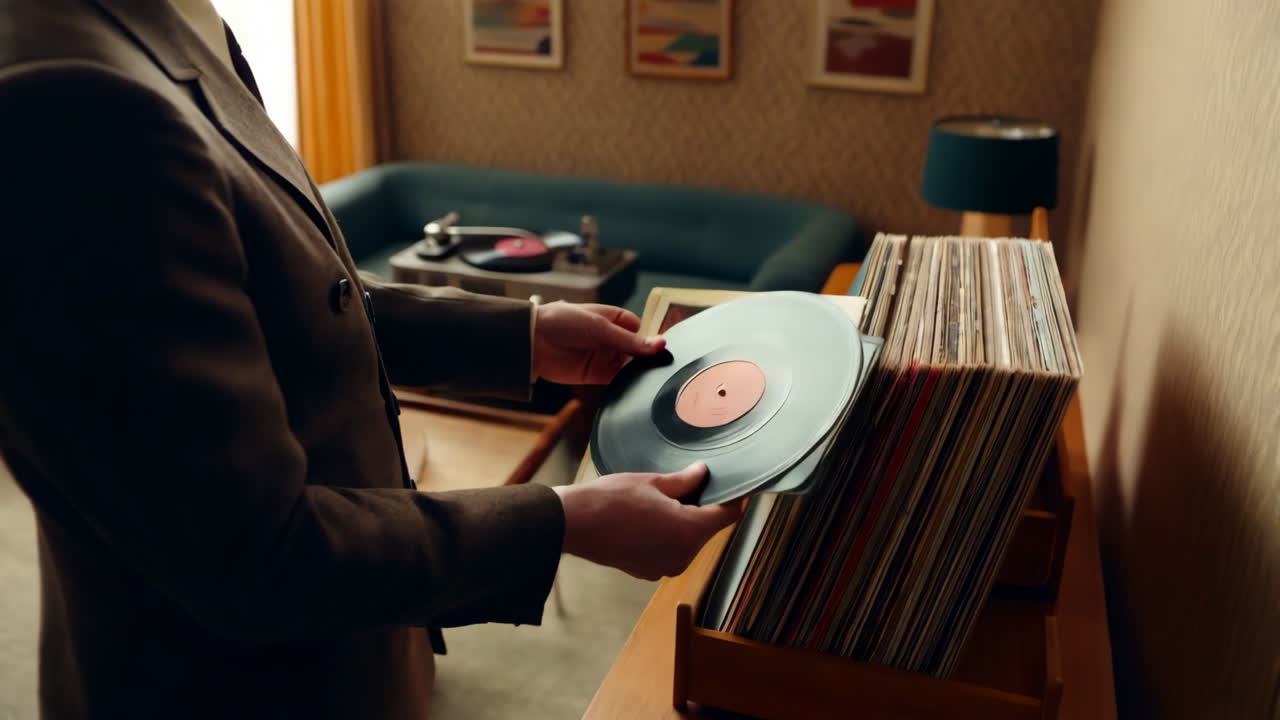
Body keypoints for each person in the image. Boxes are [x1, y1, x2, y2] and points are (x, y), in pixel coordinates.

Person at [0, 0, 741, 717]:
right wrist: (562, 520)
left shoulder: (177, 22)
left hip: (348, 652)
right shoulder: (69, 101)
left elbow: (298, 295)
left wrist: (521, 334)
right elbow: (259, 558)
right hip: (240, 691)